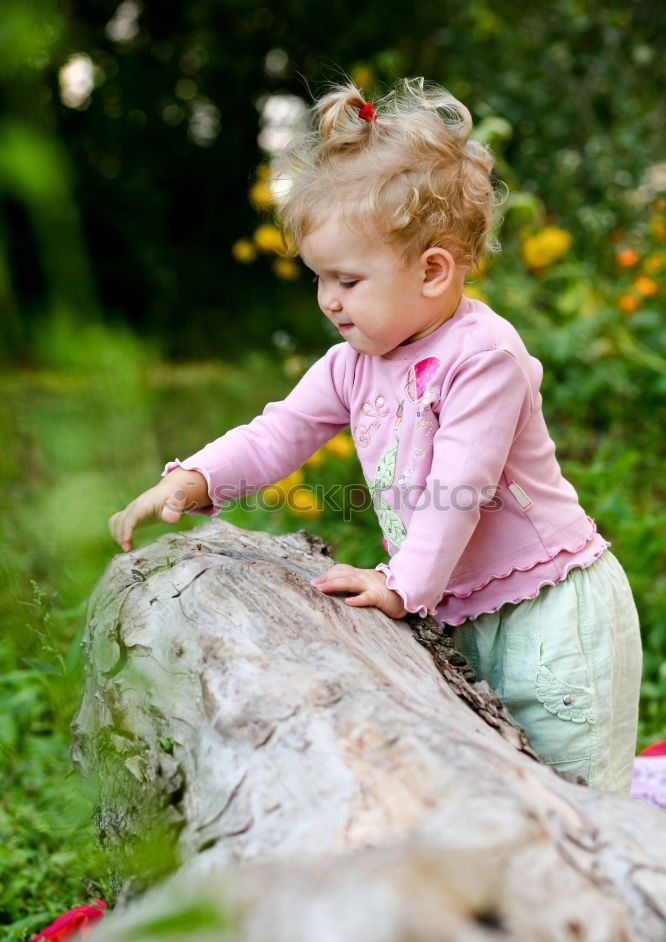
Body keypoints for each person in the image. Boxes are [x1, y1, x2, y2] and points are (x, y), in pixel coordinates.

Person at [109, 78, 642, 794]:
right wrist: (194, 477)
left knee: (576, 794)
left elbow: (464, 488)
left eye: (348, 279)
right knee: (499, 785)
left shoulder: (483, 355)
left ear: (432, 270)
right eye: (320, 278)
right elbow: (279, 432)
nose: (328, 298)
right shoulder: (353, 365)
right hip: (460, 607)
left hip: (550, 619)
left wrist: (401, 585)